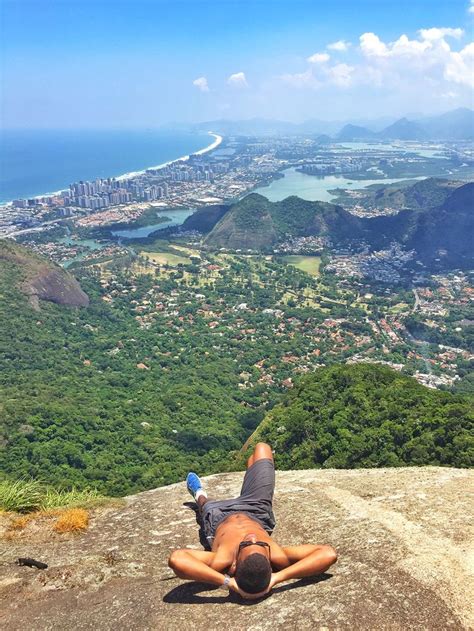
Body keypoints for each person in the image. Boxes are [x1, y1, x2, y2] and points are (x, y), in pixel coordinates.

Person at [168, 442, 337, 600]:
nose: (252, 538)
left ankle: (198, 492)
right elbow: (328, 554)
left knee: (204, 504)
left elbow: (177, 559)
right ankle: (252, 477)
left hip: (218, 516)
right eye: (261, 545)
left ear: (234, 565)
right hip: (255, 509)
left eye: (245, 545)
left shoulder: (223, 559)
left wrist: (228, 582)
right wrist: (277, 578)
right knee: (261, 449)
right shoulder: (277, 556)